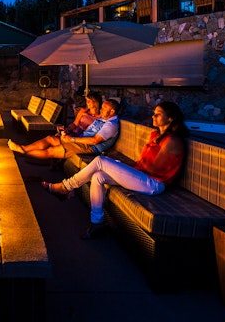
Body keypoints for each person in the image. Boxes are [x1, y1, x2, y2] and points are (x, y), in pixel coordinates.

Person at [41, 101, 189, 240]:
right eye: (154, 113)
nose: (153, 116)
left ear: (170, 118)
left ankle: (66, 187)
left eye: (158, 114)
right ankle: (97, 222)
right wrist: (120, 166)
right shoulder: (155, 135)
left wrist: (119, 167)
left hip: (154, 183)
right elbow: (142, 163)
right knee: (98, 176)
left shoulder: (172, 141)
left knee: (101, 161)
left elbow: (152, 168)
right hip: (142, 176)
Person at [8, 98, 120, 162]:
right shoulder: (104, 118)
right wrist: (68, 132)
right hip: (81, 140)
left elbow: (95, 140)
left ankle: (23, 153)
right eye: (102, 107)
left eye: (104, 108)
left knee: (51, 151)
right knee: (50, 139)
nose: (101, 109)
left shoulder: (111, 125)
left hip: (89, 147)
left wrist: (72, 139)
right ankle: (23, 149)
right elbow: (85, 125)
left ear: (112, 111)